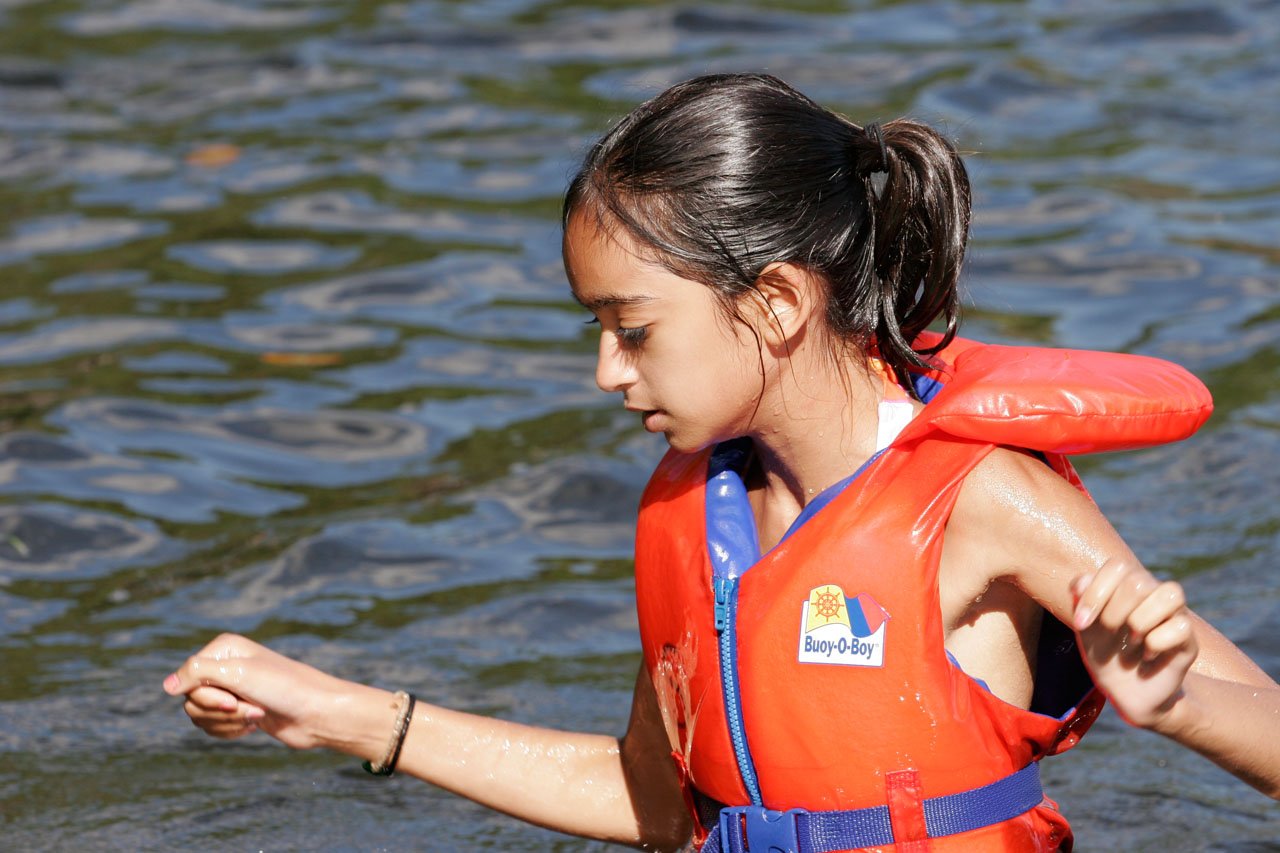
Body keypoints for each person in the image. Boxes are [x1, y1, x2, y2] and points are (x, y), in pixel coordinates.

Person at [164, 73, 1280, 851]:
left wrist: (1176, 704)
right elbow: (656, 803)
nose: (606, 370)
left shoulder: (985, 500)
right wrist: (341, 713)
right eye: (597, 329)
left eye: (634, 329)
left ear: (777, 302)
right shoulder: (695, 517)